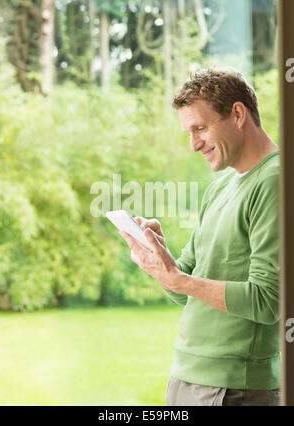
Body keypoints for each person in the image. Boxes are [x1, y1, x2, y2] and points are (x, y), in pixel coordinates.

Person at [120, 68, 280, 406]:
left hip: (235, 386)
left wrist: (181, 281)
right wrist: (160, 262)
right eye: (188, 132)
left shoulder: (275, 182)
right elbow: (185, 291)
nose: (193, 144)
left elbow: (269, 301)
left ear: (238, 114)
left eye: (201, 128)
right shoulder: (220, 186)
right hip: (186, 377)